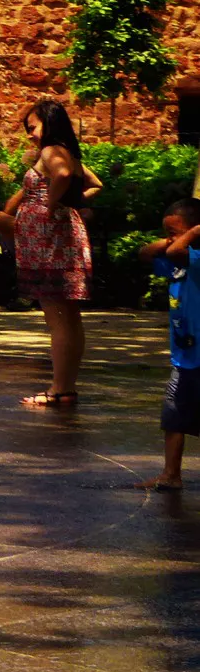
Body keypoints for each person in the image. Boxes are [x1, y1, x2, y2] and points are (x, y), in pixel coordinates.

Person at [0, 99, 101, 410]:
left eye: (32, 127)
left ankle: (58, 390)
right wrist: (66, 202)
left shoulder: (52, 151)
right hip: (60, 236)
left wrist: (50, 205)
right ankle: (65, 388)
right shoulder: (67, 149)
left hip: (50, 240)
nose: (29, 135)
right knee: (68, 318)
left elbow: (64, 175)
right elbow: (91, 182)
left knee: (57, 319)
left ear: (49, 124)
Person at [140, 198, 200, 492]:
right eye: (167, 232)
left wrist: (190, 236)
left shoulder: (197, 257)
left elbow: (179, 249)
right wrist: (170, 238)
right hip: (184, 357)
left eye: (177, 231)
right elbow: (145, 253)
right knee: (173, 415)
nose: (170, 240)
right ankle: (171, 474)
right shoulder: (174, 263)